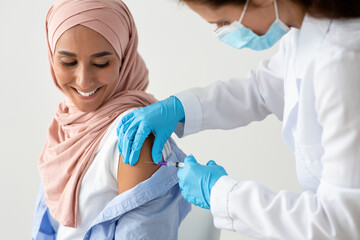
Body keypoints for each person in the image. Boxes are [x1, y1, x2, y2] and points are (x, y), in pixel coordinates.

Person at [117, 0, 360, 239]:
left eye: (224, 21)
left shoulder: (342, 61)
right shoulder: (303, 32)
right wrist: (181, 108)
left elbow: (339, 222)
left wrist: (222, 194)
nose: (227, 32)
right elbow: (263, 89)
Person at [32, 0, 190, 239]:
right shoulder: (65, 124)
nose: (84, 81)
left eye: (101, 63)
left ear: (124, 59)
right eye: (68, 62)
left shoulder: (133, 137)